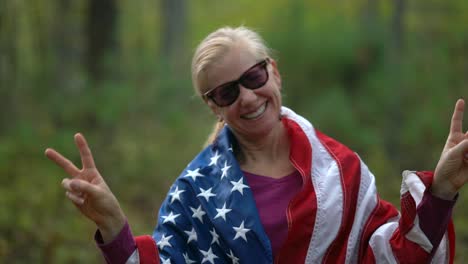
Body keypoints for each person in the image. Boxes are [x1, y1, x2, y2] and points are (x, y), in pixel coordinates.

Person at [45, 26, 468, 264]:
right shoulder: (195, 191)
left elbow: (391, 257)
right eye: (227, 93)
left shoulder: (341, 170)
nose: (247, 97)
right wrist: (115, 227)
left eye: (253, 77)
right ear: (214, 108)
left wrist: (443, 190)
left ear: (275, 74)